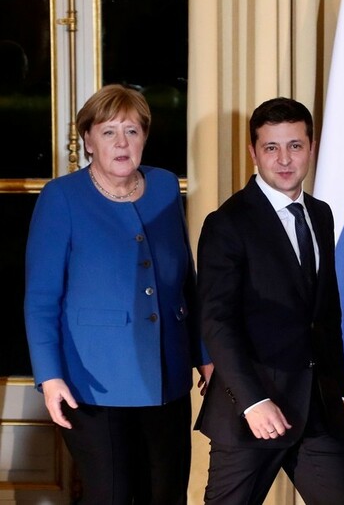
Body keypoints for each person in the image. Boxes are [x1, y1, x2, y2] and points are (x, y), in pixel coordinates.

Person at [24, 83, 213, 504]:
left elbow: (186, 280)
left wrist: (204, 354)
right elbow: (41, 300)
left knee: (166, 495)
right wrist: (49, 377)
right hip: (92, 382)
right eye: (108, 132)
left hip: (167, 376)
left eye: (132, 130)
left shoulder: (165, 186)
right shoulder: (61, 197)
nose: (121, 142)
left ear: (145, 137)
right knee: (112, 496)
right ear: (88, 141)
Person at [194, 97, 344, 504]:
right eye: (271, 147)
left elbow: (326, 313)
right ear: (253, 152)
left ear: (311, 148)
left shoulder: (320, 215)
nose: (285, 159)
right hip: (254, 409)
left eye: (295, 145)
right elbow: (217, 322)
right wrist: (253, 401)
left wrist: (337, 390)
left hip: (319, 409)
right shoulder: (227, 223)